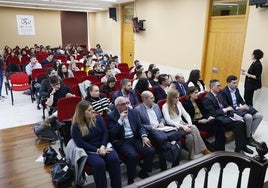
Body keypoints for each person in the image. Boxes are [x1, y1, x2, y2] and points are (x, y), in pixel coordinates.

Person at [71, 100, 122, 188]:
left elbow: (105, 133)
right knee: (99, 164)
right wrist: (97, 150)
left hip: (104, 145)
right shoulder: (76, 126)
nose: (93, 112)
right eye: (89, 110)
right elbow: (80, 143)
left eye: (92, 109)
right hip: (90, 150)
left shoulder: (98, 118)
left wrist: (102, 146)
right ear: (82, 112)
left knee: (114, 159)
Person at [107, 96, 155, 185]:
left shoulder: (133, 112)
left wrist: (144, 136)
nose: (126, 106)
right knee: (132, 155)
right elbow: (113, 134)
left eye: (127, 103)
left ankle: (143, 172)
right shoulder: (111, 116)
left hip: (134, 138)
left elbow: (139, 126)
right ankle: (131, 178)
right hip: (122, 141)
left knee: (150, 150)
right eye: (123, 104)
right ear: (117, 106)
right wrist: (120, 120)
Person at [202, 79, 253, 155]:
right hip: (217, 119)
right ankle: (241, 147)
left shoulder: (220, 95)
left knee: (241, 122)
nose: (220, 87)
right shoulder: (207, 98)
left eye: (220, 85)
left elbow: (228, 106)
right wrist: (226, 110)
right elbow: (213, 113)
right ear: (212, 87)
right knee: (238, 123)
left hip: (226, 116)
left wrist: (234, 114)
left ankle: (240, 147)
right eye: (218, 86)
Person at [135, 91, 181, 171]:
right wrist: (151, 127)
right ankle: (164, 166)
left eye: (153, 97)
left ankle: (175, 163)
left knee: (177, 136)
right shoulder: (138, 110)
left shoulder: (156, 106)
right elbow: (139, 125)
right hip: (151, 131)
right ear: (144, 99)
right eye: (151, 98)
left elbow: (161, 118)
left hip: (161, 128)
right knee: (162, 142)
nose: (154, 99)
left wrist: (162, 123)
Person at [162, 89, 210, 160]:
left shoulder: (179, 103)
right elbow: (168, 121)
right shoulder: (165, 106)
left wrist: (189, 123)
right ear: (171, 97)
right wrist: (183, 126)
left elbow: (185, 114)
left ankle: (191, 156)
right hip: (174, 127)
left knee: (190, 137)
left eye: (178, 97)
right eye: (176, 97)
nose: (178, 99)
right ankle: (203, 150)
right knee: (194, 128)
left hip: (183, 124)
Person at [221, 75, 263, 147]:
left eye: (236, 83)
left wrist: (245, 105)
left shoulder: (236, 90)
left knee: (259, 115)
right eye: (234, 83)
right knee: (248, 117)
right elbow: (226, 105)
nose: (236, 85)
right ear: (228, 83)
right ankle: (247, 138)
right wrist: (239, 107)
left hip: (240, 108)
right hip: (233, 110)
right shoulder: (224, 92)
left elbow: (241, 100)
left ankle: (249, 134)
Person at [182, 86, 226, 151]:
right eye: (195, 93)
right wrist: (199, 121)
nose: (197, 94)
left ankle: (219, 148)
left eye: (197, 92)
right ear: (190, 94)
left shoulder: (198, 101)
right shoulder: (186, 104)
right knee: (217, 125)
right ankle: (218, 149)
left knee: (218, 122)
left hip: (204, 120)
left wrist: (208, 117)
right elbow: (187, 119)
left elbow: (204, 111)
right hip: (196, 123)